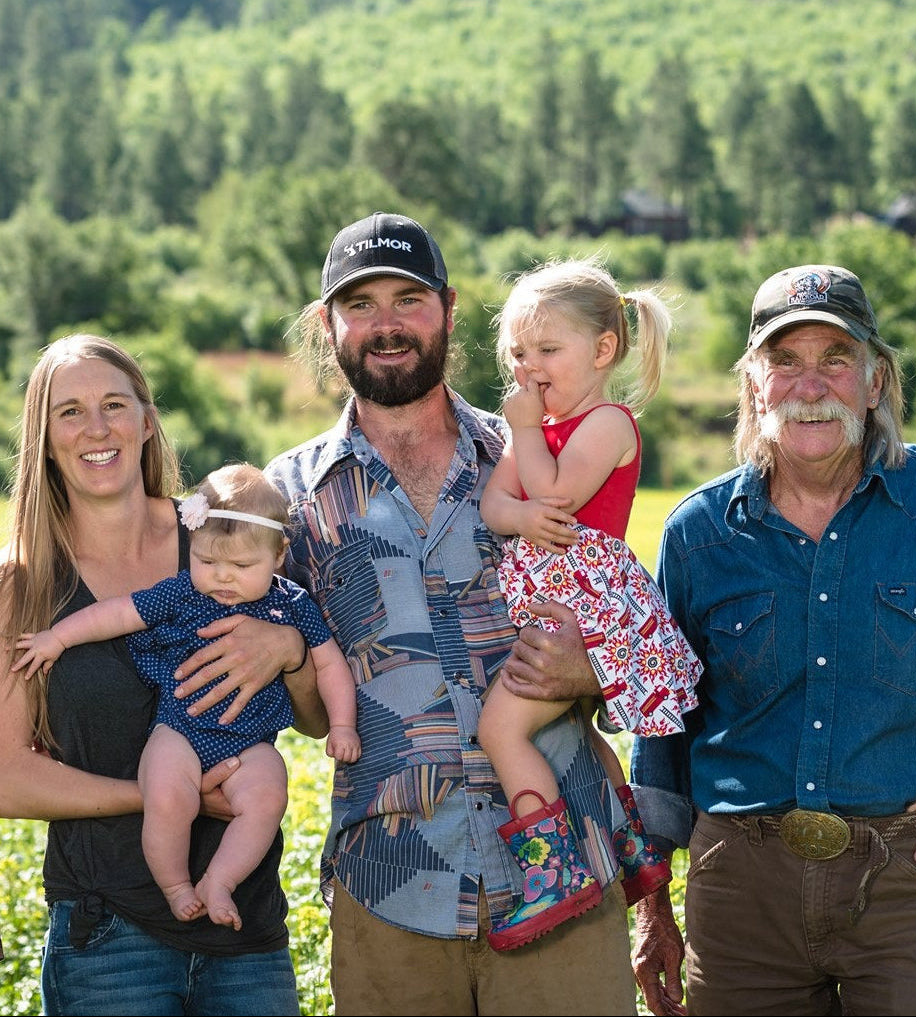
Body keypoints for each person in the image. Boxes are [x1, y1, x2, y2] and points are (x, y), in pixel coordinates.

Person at [264, 211, 638, 1016]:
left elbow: (623, 611)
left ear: (449, 308)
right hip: (394, 889)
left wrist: (592, 667)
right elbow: (294, 701)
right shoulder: (291, 497)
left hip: (564, 879)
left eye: (409, 298)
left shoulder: (535, 458)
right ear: (326, 326)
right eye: (360, 305)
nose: (387, 323)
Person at [622, 264, 916, 1016]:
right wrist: (654, 910)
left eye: (835, 359)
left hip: (910, 877)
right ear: (753, 384)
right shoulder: (699, 534)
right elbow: (661, 730)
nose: (811, 386)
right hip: (738, 890)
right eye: (785, 361)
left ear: (874, 381)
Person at [0, 335, 329, 1016]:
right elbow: (6, 775)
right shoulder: (22, 583)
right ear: (44, 437)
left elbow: (317, 718)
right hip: (107, 935)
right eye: (71, 411)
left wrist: (291, 649)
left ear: (147, 421)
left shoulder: (217, 539)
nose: (98, 428)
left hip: (245, 925)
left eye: (115, 404)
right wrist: (161, 793)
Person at [13, 462, 359, 931]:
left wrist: (340, 726)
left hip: (249, 742)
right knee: (168, 795)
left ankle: (220, 880)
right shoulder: (183, 593)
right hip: (178, 729)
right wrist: (58, 638)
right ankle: (175, 885)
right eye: (207, 561)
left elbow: (330, 664)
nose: (222, 578)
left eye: (241, 566)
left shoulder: (291, 605)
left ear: (278, 555)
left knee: (268, 794)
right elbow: (117, 614)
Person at [476, 258, 702, 950]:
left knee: (501, 730)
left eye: (548, 350)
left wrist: (522, 457)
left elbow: (556, 496)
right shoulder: (539, 426)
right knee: (582, 731)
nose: (529, 368)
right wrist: (521, 506)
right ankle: (634, 852)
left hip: (591, 603)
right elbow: (495, 506)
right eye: (519, 353)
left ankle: (552, 874)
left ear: (603, 350)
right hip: (555, 596)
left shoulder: (607, 422)